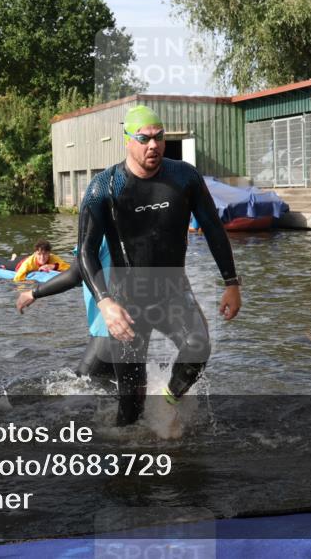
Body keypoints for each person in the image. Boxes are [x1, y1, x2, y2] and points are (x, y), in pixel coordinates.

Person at [77, 105, 242, 426]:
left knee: (197, 347)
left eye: (158, 137)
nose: (153, 145)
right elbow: (85, 252)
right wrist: (105, 303)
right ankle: (126, 466)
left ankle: (167, 403)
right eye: (144, 138)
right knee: (130, 410)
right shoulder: (104, 187)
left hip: (172, 292)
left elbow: (213, 229)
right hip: (125, 302)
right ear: (127, 140)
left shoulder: (184, 177)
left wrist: (231, 283)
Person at [16, 238, 118, 379]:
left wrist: (33, 293)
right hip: (134, 326)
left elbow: (74, 275)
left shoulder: (97, 233)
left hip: (109, 326)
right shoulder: (130, 228)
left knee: (83, 386)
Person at [0, 240, 70, 282]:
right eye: (39, 254)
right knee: (6, 265)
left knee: (13, 260)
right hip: (19, 264)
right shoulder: (29, 263)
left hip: (25, 258)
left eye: (45, 254)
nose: (42, 257)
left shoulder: (53, 258)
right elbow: (17, 278)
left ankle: (14, 256)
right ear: (35, 253)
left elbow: (68, 268)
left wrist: (53, 266)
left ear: (49, 253)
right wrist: (30, 282)